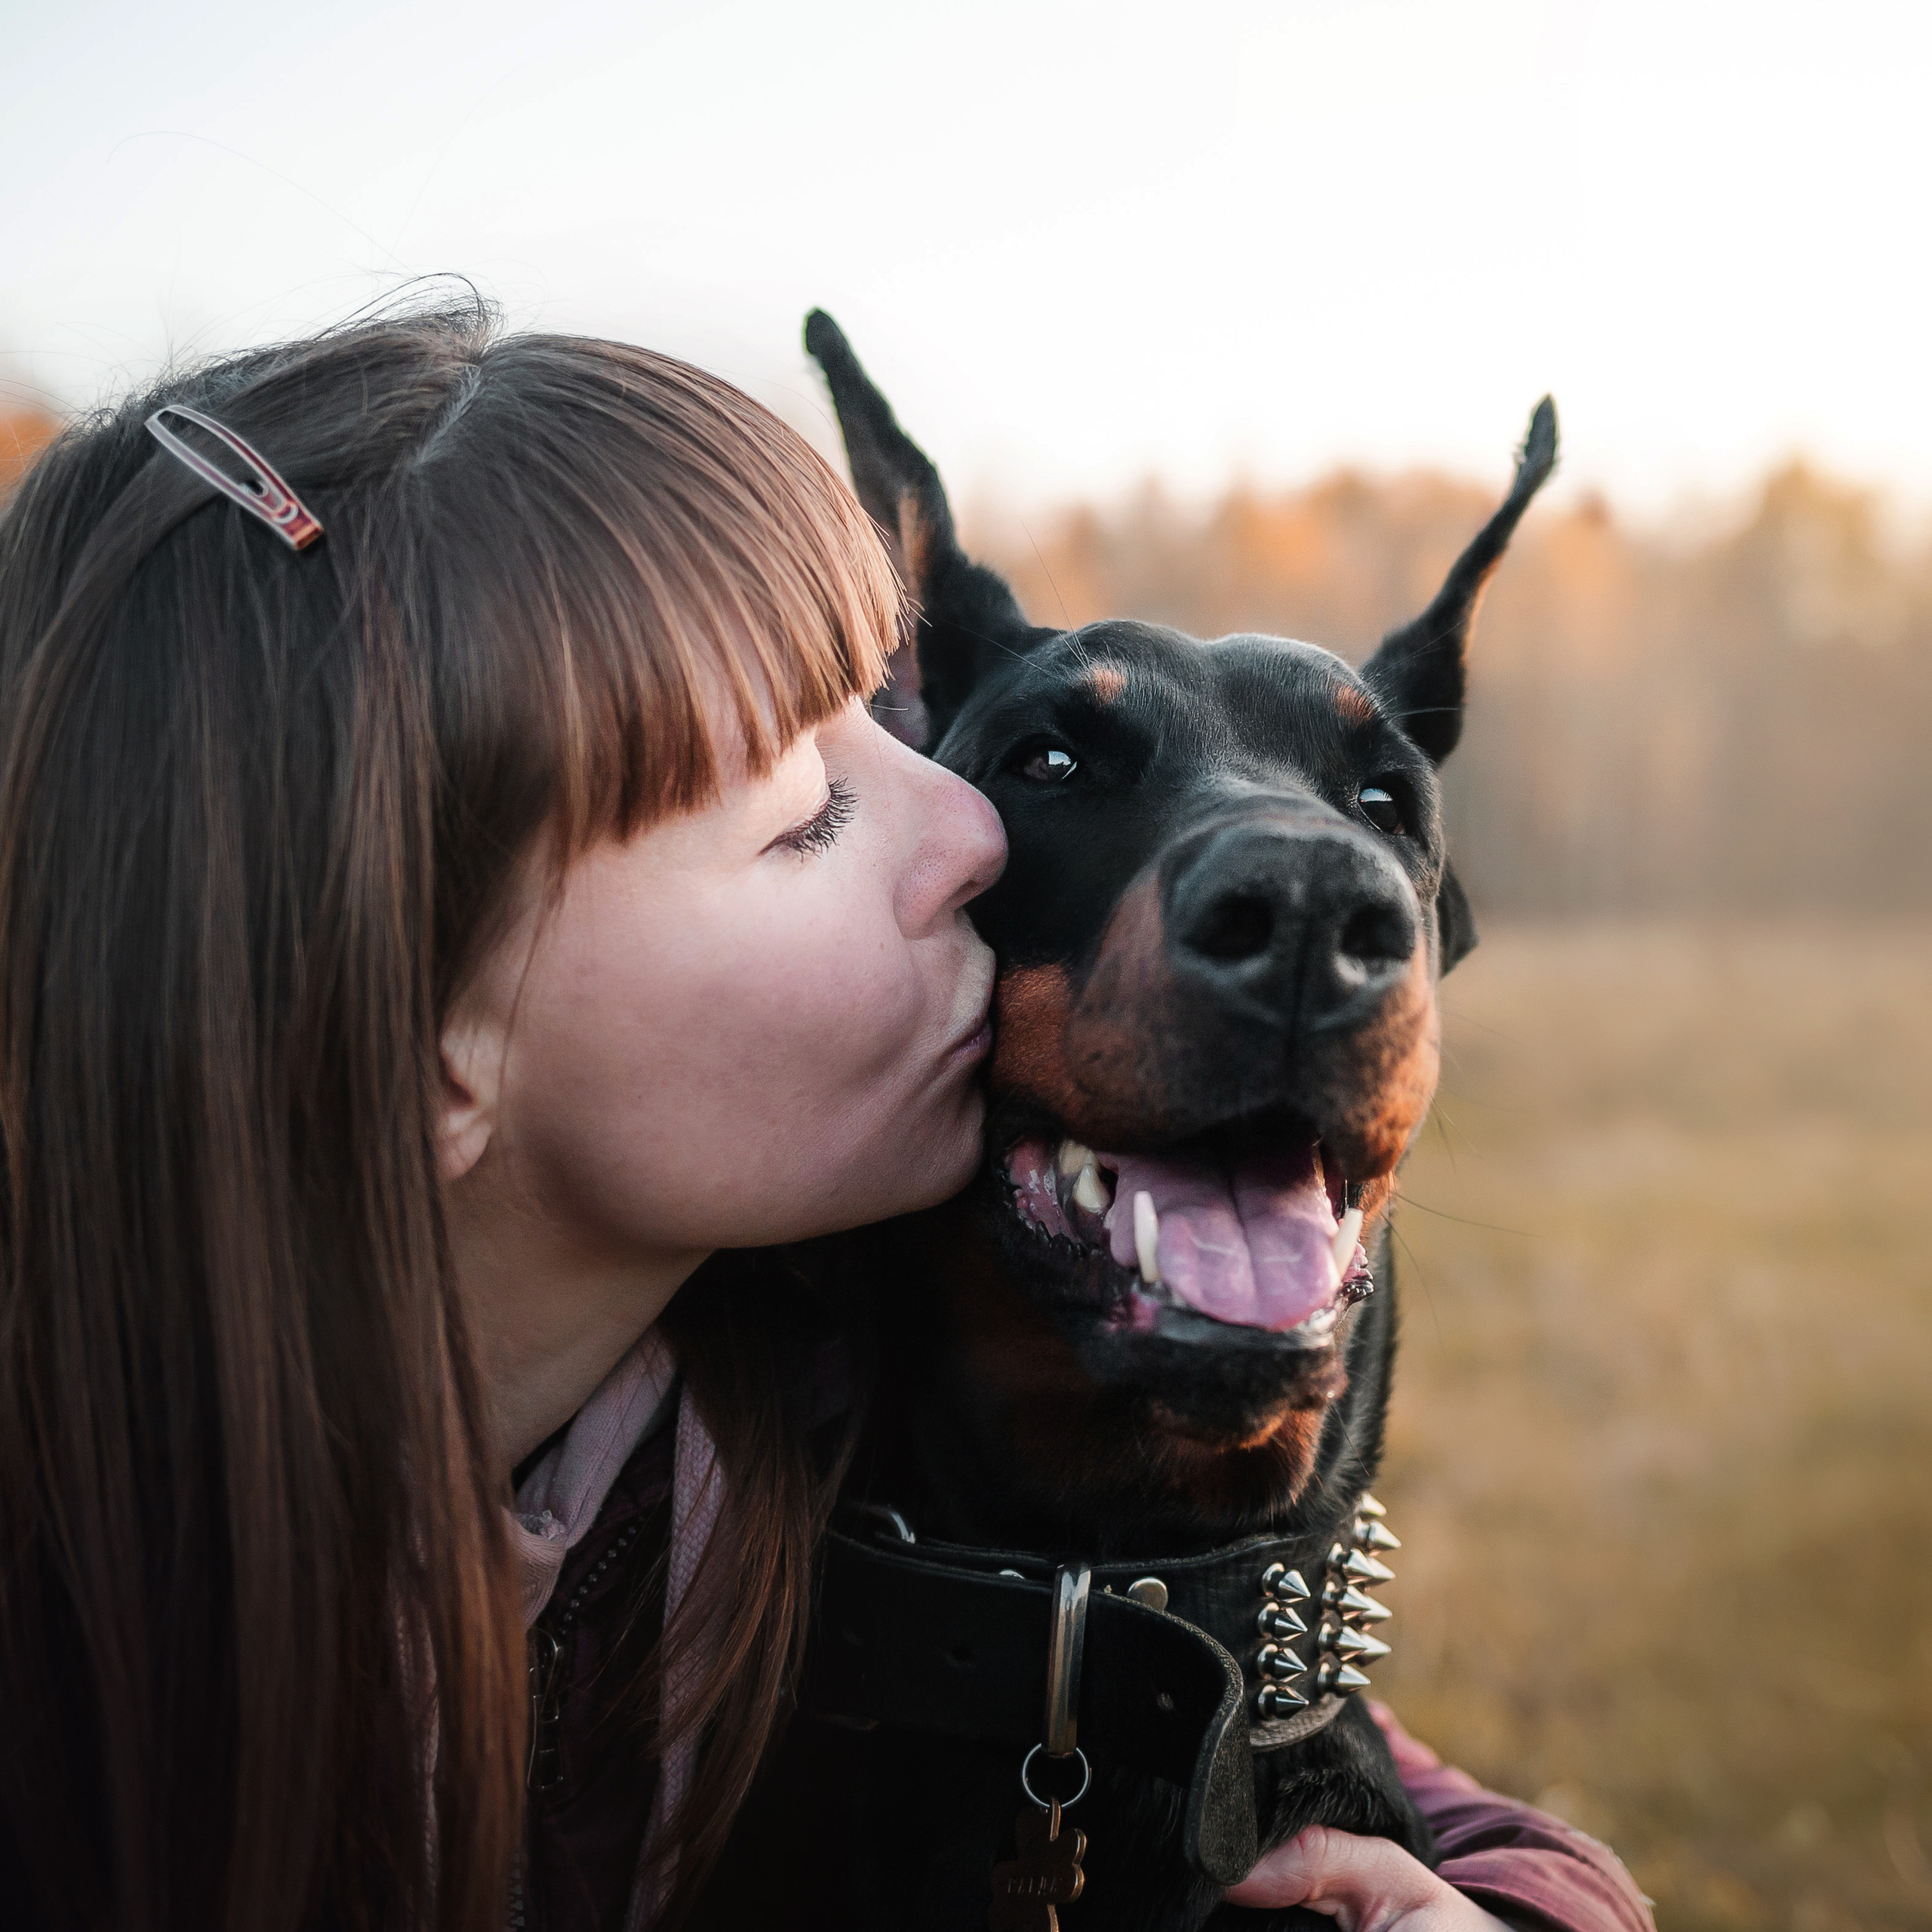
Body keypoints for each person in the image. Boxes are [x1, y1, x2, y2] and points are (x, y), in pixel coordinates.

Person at [0, 305, 1651, 1932]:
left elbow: (1211, 1658)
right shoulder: (86, 1681)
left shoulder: (776, 1384)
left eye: (889, 720)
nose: (972, 826)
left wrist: (1522, 1895)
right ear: (414, 1031)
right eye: (804, 807)